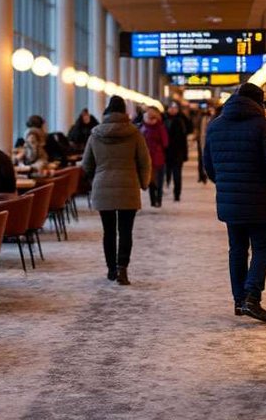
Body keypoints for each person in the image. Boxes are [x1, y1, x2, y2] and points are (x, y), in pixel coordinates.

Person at [203, 83, 266, 322]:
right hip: (260, 199)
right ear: (259, 103)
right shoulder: (265, 126)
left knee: (237, 249)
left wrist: (227, 183)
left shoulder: (215, 126)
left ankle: (239, 301)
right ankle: (252, 297)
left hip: (229, 200)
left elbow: (209, 167)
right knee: (262, 247)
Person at [82, 96, 151, 285]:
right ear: (125, 112)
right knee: (126, 231)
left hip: (103, 187)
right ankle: (122, 269)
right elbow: (144, 162)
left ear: (106, 111)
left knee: (109, 231)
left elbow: (86, 164)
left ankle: (111, 269)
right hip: (128, 187)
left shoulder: (95, 134)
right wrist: (144, 183)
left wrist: (95, 179)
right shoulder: (135, 134)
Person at [139, 107, 169, 207]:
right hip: (159, 157)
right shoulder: (160, 127)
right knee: (159, 180)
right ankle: (158, 200)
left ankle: (153, 200)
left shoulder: (142, 128)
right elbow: (165, 143)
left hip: (147, 158)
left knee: (151, 180)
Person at [163, 102, 191, 200]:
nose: (173, 109)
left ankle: (177, 194)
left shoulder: (182, 120)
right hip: (165, 152)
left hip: (178, 153)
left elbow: (186, 135)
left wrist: (185, 154)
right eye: (171, 107)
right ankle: (165, 188)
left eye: (175, 108)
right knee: (166, 172)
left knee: (177, 174)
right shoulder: (163, 119)